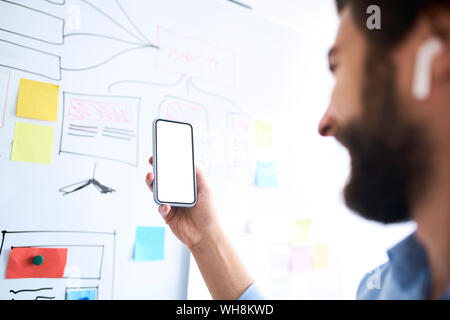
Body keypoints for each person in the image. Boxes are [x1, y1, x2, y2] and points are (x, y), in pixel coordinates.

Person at [145, 0, 450, 300]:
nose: (325, 123)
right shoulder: (383, 288)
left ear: (433, 54)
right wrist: (205, 239)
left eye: (338, 66)